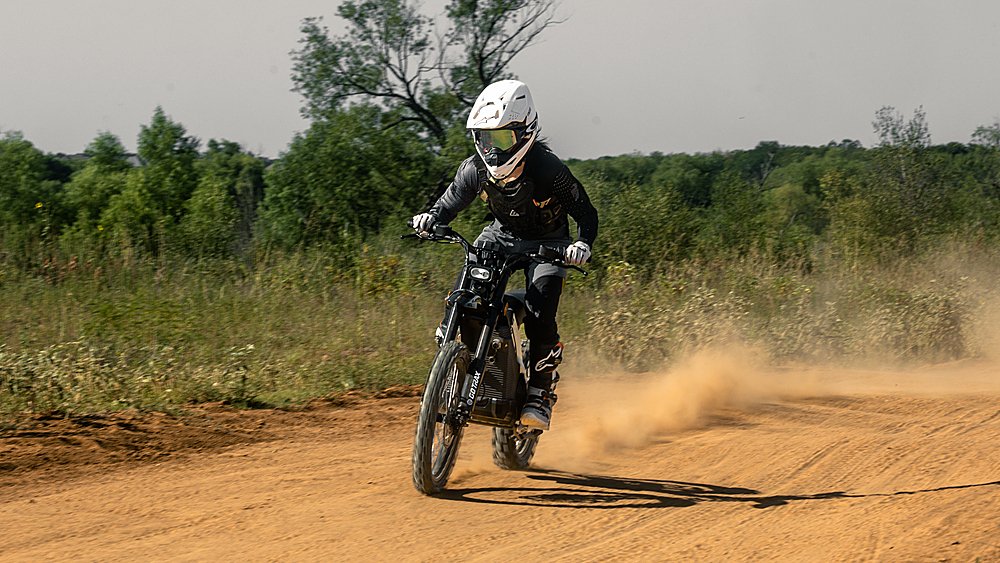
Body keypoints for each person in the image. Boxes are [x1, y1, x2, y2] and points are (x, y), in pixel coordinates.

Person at [411, 79, 599, 431]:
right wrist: (431, 219)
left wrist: (582, 244)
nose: (492, 149)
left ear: (524, 132)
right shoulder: (474, 170)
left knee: (542, 309)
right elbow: (449, 203)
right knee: (474, 260)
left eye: (501, 138)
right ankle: (451, 328)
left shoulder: (549, 170)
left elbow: (586, 213)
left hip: (549, 244)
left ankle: (539, 392)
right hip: (502, 236)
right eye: (485, 138)